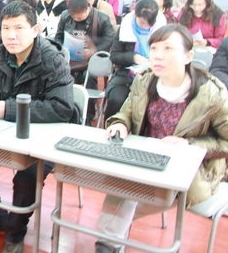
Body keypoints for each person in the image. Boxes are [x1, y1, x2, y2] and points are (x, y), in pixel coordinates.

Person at [0, 1, 80, 253]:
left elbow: (62, 108)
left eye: (19, 28)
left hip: (45, 139)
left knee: (27, 175)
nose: (11, 36)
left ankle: (15, 231)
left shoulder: (52, 60)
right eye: (6, 28)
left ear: (35, 30)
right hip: (5, 134)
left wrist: (9, 109)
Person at [96, 24, 228, 253]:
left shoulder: (212, 93)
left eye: (168, 48)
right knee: (121, 191)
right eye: (154, 48)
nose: (157, 55)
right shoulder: (145, 80)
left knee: (122, 202)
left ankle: (107, 244)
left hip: (189, 172)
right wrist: (120, 123)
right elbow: (126, 112)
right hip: (144, 162)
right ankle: (108, 243)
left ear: (188, 56)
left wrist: (190, 144)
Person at [103, 0, 166, 120]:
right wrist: (132, 57)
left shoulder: (162, 31)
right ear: (135, 15)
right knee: (116, 100)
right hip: (126, 76)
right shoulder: (126, 28)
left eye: (149, 23)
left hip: (153, 78)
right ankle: (110, 126)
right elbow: (114, 56)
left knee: (152, 105)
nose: (145, 26)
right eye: (142, 22)